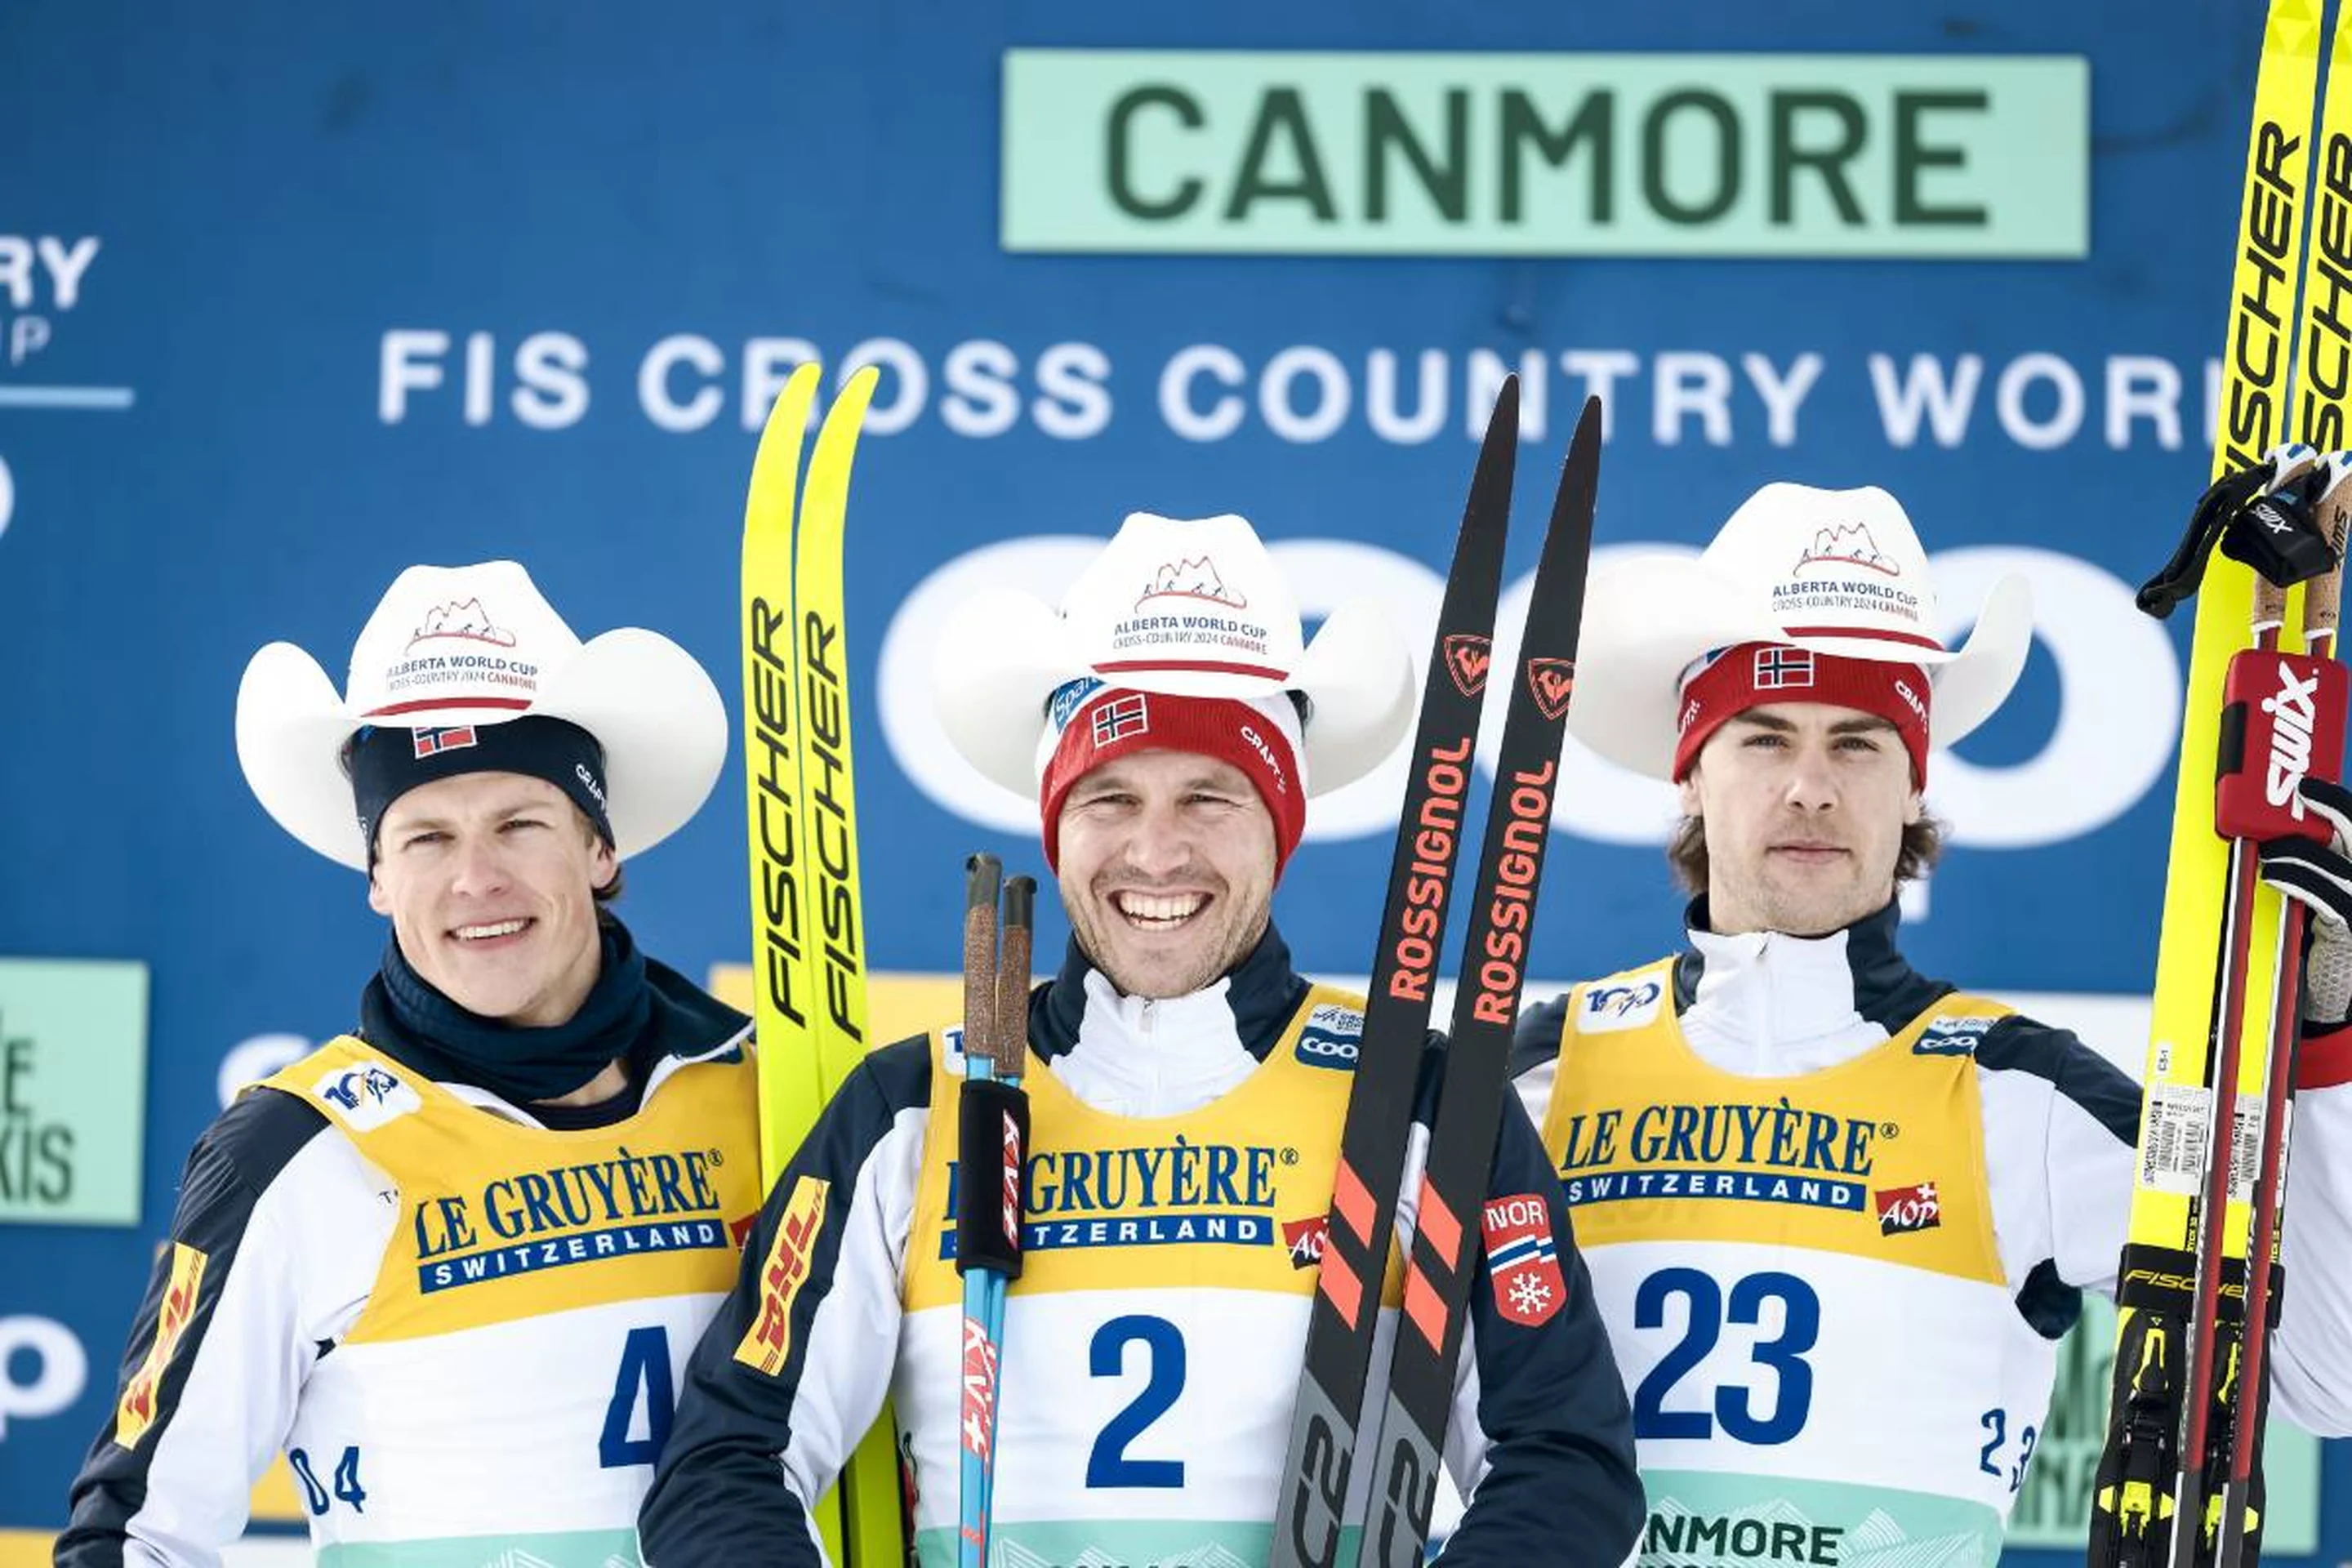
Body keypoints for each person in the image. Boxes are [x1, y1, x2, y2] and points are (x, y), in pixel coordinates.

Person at [640, 512, 1644, 1566]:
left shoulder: (1422, 1100)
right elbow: (726, 1465)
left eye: (1210, 797)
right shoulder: (913, 1109)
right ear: (1057, 827)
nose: (1156, 852)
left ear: (1281, 828)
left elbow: (1564, 1462)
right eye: (1110, 797)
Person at [1510, 481, 2352, 1564]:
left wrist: (2329, 1059)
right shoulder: (1535, 1072)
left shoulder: (2022, 1094)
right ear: (1690, 776)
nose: (1811, 787)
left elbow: (2326, 1380)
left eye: (1859, 744)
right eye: (1764, 739)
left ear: (1915, 783)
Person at [58, 561, 764, 1566]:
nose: (476, 879)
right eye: (427, 837)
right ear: (379, 879)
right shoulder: (293, 1153)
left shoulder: (770, 1092)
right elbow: (136, 1538)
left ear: (600, 848)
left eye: (520, 823)